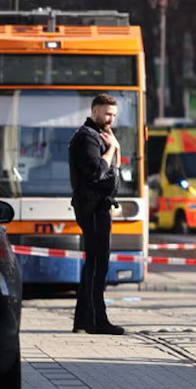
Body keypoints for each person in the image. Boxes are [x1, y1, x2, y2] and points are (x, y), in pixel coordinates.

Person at [67, 93, 126, 336]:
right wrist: (112, 148)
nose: (110, 118)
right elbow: (98, 172)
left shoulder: (100, 135)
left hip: (100, 206)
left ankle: (83, 319)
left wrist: (116, 149)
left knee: (95, 263)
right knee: (97, 265)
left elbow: (115, 172)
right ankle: (95, 321)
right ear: (95, 111)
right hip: (92, 207)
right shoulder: (87, 138)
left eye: (114, 114)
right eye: (107, 113)